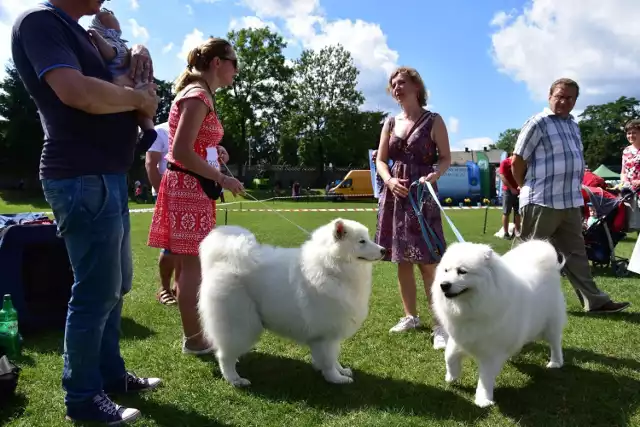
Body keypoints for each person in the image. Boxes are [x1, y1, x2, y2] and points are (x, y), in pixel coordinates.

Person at [11, 1, 162, 424]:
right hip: (80, 176)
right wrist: (136, 99)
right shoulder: (40, 22)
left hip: (107, 174)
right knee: (95, 292)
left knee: (116, 285)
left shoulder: (76, 30)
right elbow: (77, 94)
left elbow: (112, 79)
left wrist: (129, 72)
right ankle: (81, 398)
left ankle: (111, 375)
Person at [147, 37, 244, 354]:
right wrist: (221, 178)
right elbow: (179, 151)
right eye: (234, 63)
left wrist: (216, 152)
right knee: (193, 268)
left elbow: (192, 145)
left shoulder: (201, 95)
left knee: (193, 265)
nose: (236, 71)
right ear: (218, 62)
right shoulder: (198, 95)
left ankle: (197, 334)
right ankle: (194, 340)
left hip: (193, 188)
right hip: (188, 188)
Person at [512, 77, 630, 314]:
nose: (564, 102)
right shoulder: (538, 122)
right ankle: (511, 301)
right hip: (541, 199)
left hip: (570, 201)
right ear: (549, 96)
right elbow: (517, 160)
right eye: (559, 96)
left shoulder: (573, 125)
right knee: (526, 254)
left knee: (576, 254)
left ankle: (594, 301)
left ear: (575, 101)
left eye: (569, 98)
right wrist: (524, 186)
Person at [375, 66, 452, 349]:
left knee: (428, 262)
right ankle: (411, 316)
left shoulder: (434, 120)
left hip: (422, 196)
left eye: (402, 82)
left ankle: (440, 324)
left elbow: (445, 158)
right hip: (395, 195)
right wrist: (390, 180)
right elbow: (381, 160)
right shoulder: (390, 123)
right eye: (393, 84)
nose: (397, 88)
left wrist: (435, 174)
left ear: (416, 87)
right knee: (402, 260)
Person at [88, 8, 157, 149]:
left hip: (121, 80)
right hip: (135, 82)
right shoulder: (123, 45)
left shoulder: (112, 42)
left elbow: (110, 54)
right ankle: (149, 129)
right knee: (142, 109)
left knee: (141, 103)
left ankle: (147, 132)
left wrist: (96, 37)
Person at [145, 122, 178, 306]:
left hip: (195, 194)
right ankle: (165, 289)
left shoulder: (198, 129)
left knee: (190, 244)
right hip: (169, 194)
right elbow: (151, 164)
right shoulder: (161, 131)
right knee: (170, 243)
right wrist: (161, 195)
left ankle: (179, 286)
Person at [498, 153, 520, 239]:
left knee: (518, 212)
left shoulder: (520, 163)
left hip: (518, 190)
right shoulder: (505, 163)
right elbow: (502, 176)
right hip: (507, 190)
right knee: (506, 212)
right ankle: (506, 233)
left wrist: (520, 185)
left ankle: (517, 232)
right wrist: (511, 188)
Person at [621, 119, 640, 189]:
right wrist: (624, 182)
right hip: (630, 191)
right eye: (629, 133)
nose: (631, 136)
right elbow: (623, 172)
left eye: (634, 133)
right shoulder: (626, 151)